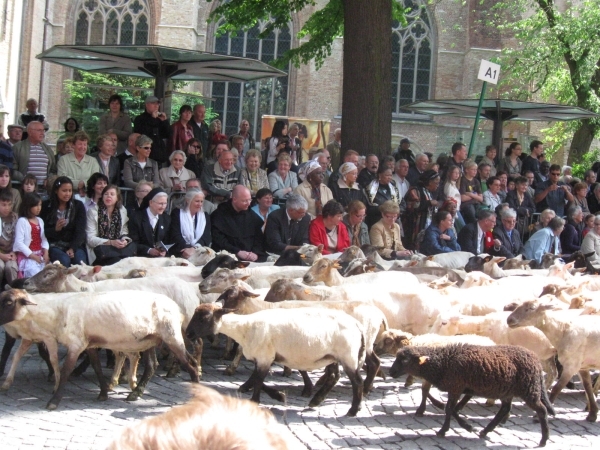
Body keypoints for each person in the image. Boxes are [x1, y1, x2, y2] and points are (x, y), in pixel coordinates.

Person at [211, 185, 266, 262]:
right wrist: (237, 252)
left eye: (249, 200)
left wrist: (255, 253)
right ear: (234, 199)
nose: (248, 203)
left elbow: (258, 239)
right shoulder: (219, 215)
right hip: (229, 255)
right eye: (244, 201)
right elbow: (219, 240)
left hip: (251, 256)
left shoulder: (251, 215)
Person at [41, 177, 87, 267]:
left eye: (70, 191)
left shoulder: (78, 206)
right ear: (56, 191)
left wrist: (72, 248)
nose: (68, 194)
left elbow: (80, 231)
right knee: (64, 261)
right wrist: (55, 229)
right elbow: (42, 231)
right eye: (64, 191)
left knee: (80, 262)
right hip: (55, 245)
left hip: (74, 244)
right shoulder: (46, 206)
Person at [86, 185, 134, 265]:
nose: (108, 196)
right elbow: (90, 239)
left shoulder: (122, 210)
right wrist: (110, 242)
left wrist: (125, 240)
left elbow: (124, 231)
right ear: (102, 196)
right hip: (100, 251)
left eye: (112, 194)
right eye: (106, 194)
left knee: (127, 262)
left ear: (117, 198)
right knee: (117, 262)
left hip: (118, 250)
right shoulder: (92, 212)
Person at [128, 188, 172, 258]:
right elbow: (133, 242)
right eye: (160, 203)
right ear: (151, 202)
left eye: (165, 203)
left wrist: (164, 251)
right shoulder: (136, 217)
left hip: (159, 258)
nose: (163, 207)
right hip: (141, 258)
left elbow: (167, 241)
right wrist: (149, 250)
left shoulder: (166, 219)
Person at [13, 193, 49, 277]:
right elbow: (19, 243)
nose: (39, 208)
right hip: (28, 257)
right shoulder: (22, 221)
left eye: (40, 205)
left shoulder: (40, 220)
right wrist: (33, 256)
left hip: (40, 255)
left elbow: (43, 238)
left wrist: (46, 253)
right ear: (28, 206)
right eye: (36, 205)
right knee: (36, 276)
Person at [168, 189, 211, 258]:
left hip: (199, 250)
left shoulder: (205, 215)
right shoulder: (177, 213)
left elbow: (206, 236)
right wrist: (187, 248)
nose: (199, 204)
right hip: (180, 250)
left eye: (201, 201)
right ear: (188, 200)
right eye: (197, 201)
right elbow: (175, 234)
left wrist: (195, 248)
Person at [403, 170, 441, 250]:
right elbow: (412, 206)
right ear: (430, 182)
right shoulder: (415, 190)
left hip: (427, 225)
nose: (438, 185)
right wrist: (429, 203)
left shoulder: (430, 192)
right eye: (436, 183)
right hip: (414, 226)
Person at [57, 131, 101, 196]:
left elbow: (96, 179)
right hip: (68, 196)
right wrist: (79, 184)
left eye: (85, 144)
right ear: (73, 145)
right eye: (80, 144)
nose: (83, 147)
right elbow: (62, 178)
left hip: (88, 196)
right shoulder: (63, 160)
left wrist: (83, 183)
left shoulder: (93, 161)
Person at [133, 96, 170, 165]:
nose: (156, 106)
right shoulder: (139, 119)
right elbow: (142, 135)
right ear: (147, 105)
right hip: (145, 153)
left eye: (158, 104)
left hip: (159, 154)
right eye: (153, 103)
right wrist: (153, 119)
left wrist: (165, 121)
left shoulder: (160, 119)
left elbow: (168, 134)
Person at [0, 190, 18, 284]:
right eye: (3, 205)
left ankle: (14, 293)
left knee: (11, 267)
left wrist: (14, 252)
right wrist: (2, 255)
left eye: (9, 204)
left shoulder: (15, 217)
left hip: (12, 253)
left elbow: (18, 238)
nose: (7, 208)